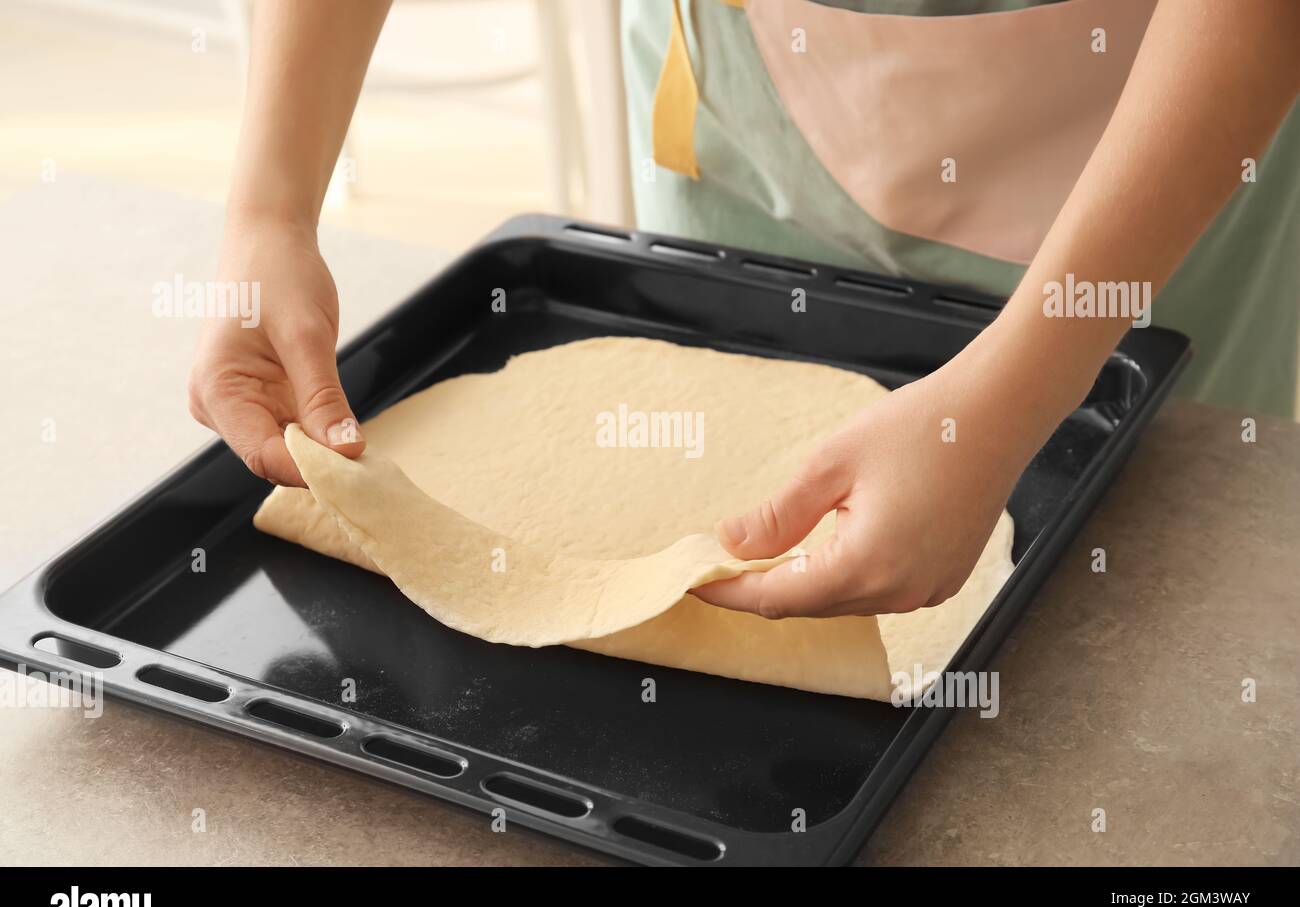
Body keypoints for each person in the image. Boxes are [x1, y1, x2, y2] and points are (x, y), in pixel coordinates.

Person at [188, 0, 1300, 622]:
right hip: (751, 115)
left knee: (1132, 616)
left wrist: (1011, 402)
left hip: (1147, 155)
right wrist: (271, 210)